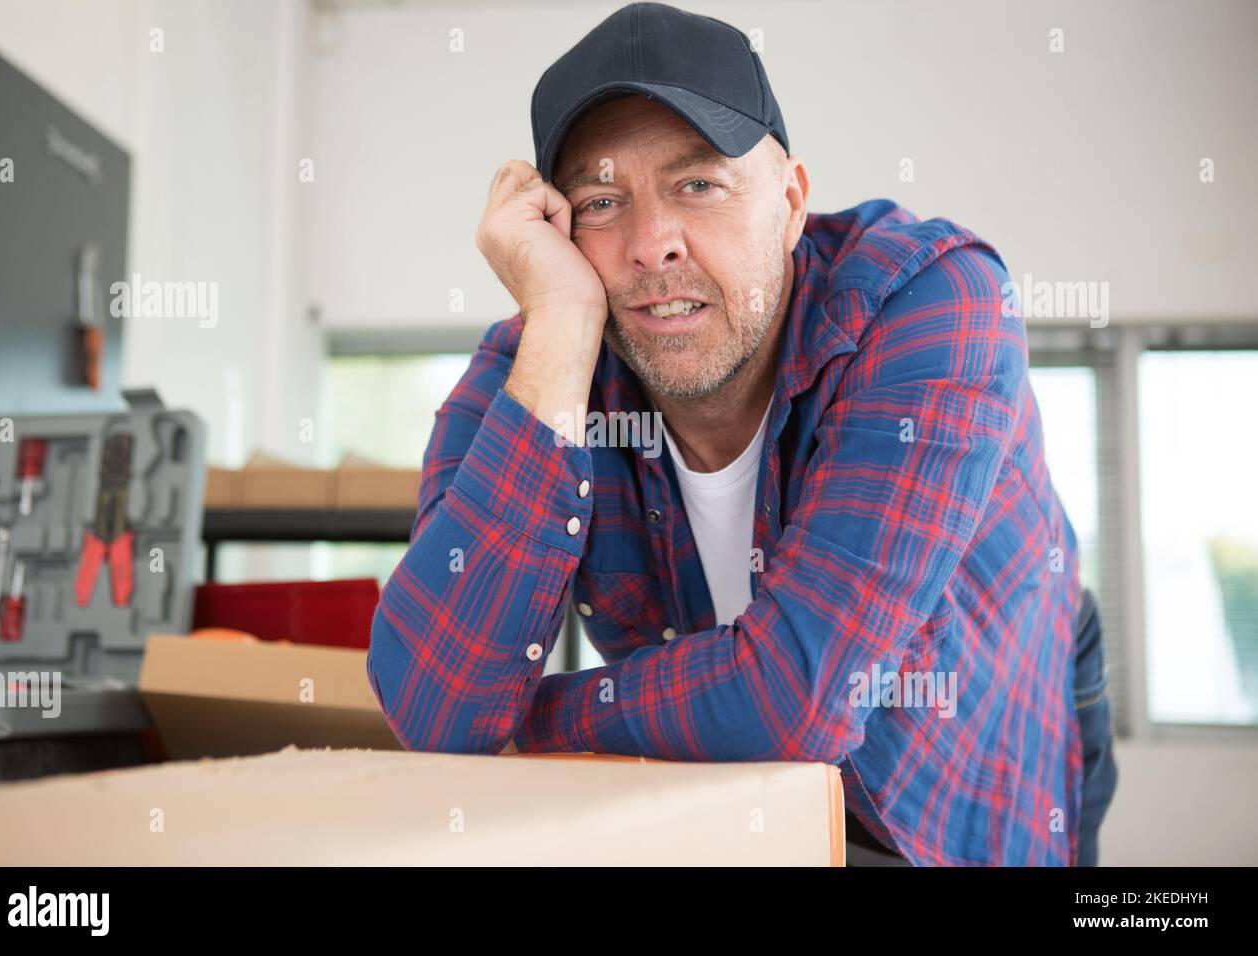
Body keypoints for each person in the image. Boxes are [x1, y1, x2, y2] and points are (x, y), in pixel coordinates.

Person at [367, 2, 1117, 866]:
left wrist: (526, 719)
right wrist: (562, 332)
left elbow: (798, 698)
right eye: (602, 202)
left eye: (698, 185)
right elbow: (434, 707)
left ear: (791, 202)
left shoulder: (931, 303)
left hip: (983, 730)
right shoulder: (540, 358)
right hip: (744, 779)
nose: (654, 246)